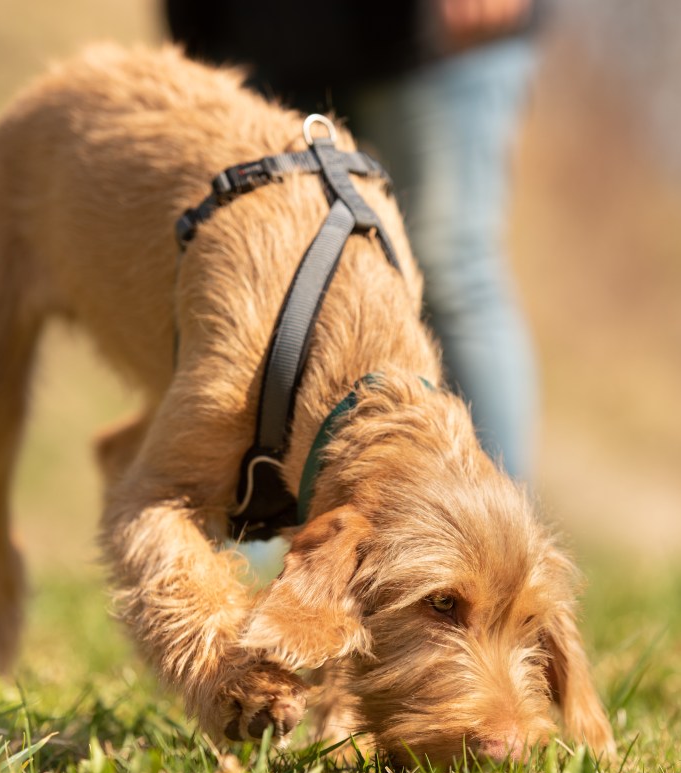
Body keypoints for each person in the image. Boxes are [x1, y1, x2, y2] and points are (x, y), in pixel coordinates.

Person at [168, 0, 545, 485]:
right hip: (261, 34)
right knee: (252, 289)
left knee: (452, 270)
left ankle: (499, 543)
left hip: (436, 44)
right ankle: (232, 548)